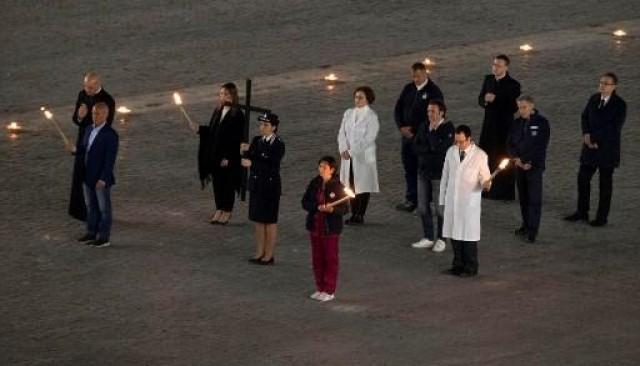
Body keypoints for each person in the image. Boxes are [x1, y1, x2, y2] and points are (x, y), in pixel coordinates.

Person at [564, 72, 627, 227]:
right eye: (601, 83)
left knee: (605, 184)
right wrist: (586, 134)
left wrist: (595, 139)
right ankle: (582, 212)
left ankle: (601, 217)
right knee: (583, 179)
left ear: (614, 87)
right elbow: (584, 116)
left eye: (606, 83)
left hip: (607, 149)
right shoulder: (594, 98)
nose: (602, 86)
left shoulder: (620, 104)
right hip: (589, 148)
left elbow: (614, 127)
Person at [188, 83, 245, 225]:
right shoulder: (218, 111)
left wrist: (228, 157)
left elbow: (236, 138)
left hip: (227, 156)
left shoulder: (238, 114)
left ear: (233, 96)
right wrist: (200, 129)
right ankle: (219, 208)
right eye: (221, 94)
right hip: (215, 154)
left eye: (226, 94)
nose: (223, 97)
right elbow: (213, 132)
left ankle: (227, 210)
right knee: (218, 183)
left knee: (228, 184)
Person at [440, 125, 492, 277]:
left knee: (468, 236)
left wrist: (486, 184)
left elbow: (485, 177)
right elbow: (445, 175)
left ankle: (470, 266)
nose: (459, 145)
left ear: (469, 139)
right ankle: (457, 264)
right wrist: (442, 198)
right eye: (456, 141)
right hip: (452, 200)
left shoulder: (480, 155)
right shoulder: (451, 152)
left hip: (469, 202)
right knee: (454, 234)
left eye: (462, 142)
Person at [394, 62, 444, 212]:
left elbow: (434, 116)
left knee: (423, 169)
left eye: (418, 76)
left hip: (423, 138)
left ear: (425, 74)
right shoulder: (408, 88)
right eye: (413, 76)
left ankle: (425, 202)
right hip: (407, 137)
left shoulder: (433, 92)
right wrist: (401, 126)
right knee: (409, 167)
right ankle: (411, 199)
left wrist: (415, 130)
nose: (415, 79)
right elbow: (398, 108)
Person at [68, 71, 116, 221]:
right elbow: (76, 120)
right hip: (82, 142)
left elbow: (106, 125)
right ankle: (79, 211)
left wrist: (87, 118)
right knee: (78, 175)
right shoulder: (82, 95)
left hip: (97, 145)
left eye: (90, 87)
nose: (86, 90)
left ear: (97, 84)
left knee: (94, 178)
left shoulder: (108, 100)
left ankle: (99, 213)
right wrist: (80, 116)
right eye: (85, 86)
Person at [302, 156, 350, 302]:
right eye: (320, 166)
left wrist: (332, 209)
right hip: (315, 227)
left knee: (330, 258)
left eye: (324, 167)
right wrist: (316, 207)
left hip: (330, 229)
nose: (321, 169)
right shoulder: (315, 183)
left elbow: (344, 209)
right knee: (317, 259)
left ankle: (329, 289)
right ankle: (320, 287)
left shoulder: (337, 186)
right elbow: (305, 202)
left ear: (332, 169)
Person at [71, 103, 119, 247]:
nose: (94, 116)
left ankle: (104, 237)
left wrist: (103, 178)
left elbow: (110, 160)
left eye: (97, 114)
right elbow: (84, 150)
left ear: (105, 115)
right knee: (91, 206)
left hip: (100, 179)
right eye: (93, 113)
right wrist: (75, 149)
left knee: (104, 209)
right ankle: (91, 232)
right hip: (87, 176)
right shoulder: (88, 129)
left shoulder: (110, 135)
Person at [241, 112, 285, 265]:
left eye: (266, 125)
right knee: (258, 221)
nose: (262, 128)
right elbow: (249, 157)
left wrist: (252, 164)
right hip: (256, 186)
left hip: (270, 187)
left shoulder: (278, 144)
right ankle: (259, 251)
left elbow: (272, 166)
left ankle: (269, 254)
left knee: (269, 221)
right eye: (261, 125)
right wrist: (244, 151)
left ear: (274, 127)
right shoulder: (257, 140)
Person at [411, 99, 454, 252]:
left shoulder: (448, 128)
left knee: (440, 207)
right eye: (428, 111)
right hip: (423, 171)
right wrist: (429, 147)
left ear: (441, 112)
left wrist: (431, 138)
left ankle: (442, 238)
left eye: (433, 111)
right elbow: (415, 147)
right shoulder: (423, 126)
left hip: (439, 173)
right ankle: (428, 237)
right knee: (422, 207)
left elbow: (441, 149)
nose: (430, 114)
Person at [507, 96, 551, 243]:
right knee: (523, 198)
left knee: (534, 200)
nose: (521, 110)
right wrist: (517, 159)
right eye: (519, 107)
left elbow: (541, 146)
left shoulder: (542, 123)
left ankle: (533, 231)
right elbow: (509, 144)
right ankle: (525, 225)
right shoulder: (516, 123)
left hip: (534, 167)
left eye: (524, 107)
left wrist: (529, 162)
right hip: (519, 166)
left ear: (532, 106)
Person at [478, 54, 521, 201]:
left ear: (506, 67)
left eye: (499, 65)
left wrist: (495, 99)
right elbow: (480, 98)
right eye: (494, 65)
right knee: (486, 157)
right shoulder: (488, 79)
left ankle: (504, 192)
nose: (495, 68)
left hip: (504, 128)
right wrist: (484, 100)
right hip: (488, 126)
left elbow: (513, 106)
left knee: (503, 157)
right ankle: (487, 188)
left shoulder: (513, 85)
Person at [338, 86, 380, 225]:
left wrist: (351, 152)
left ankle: (360, 214)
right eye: (356, 97)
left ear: (368, 99)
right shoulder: (348, 113)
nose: (357, 100)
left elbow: (368, 138)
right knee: (350, 184)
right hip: (348, 157)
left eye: (361, 97)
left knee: (363, 185)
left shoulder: (372, 117)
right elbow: (341, 133)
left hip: (363, 157)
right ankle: (353, 212)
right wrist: (343, 148)